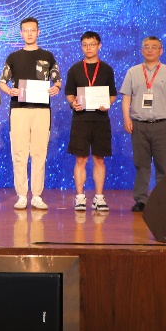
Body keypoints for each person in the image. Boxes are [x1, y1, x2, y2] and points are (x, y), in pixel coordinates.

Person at [0, 16, 61, 210]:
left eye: (32, 30)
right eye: (26, 30)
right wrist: (9, 91)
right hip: (19, 109)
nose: (29, 33)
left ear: (38, 32)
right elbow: (2, 82)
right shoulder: (13, 57)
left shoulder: (47, 56)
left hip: (42, 110)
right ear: (21, 33)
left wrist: (57, 87)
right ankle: (21, 195)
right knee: (19, 152)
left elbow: (57, 79)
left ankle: (36, 195)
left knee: (39, 152)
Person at [119, 35, 166, 212]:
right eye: (146, 46)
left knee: (163, 165)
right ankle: (141, 199)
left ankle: (162, 200)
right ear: (141, 50)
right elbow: (126, 97)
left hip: (163, 124)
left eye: (154, 47)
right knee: (141, 164)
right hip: (139, 124)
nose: (150, 50)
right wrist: (126, 118)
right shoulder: (133, 72)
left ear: (161, 51)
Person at [63, 31, 116, 212]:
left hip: (100, 120)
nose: (88, 48)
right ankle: (80, 197)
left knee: (99, 159)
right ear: (81, 46)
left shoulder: (107, 69)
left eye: (92, 44)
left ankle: (99, 197)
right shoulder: (75, 69)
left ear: (99, 45)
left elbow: (112, 94)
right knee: (81, 159)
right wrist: (73, 103)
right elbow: (69, 93)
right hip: (81, 119)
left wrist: (107, 104)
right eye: (85, 45)